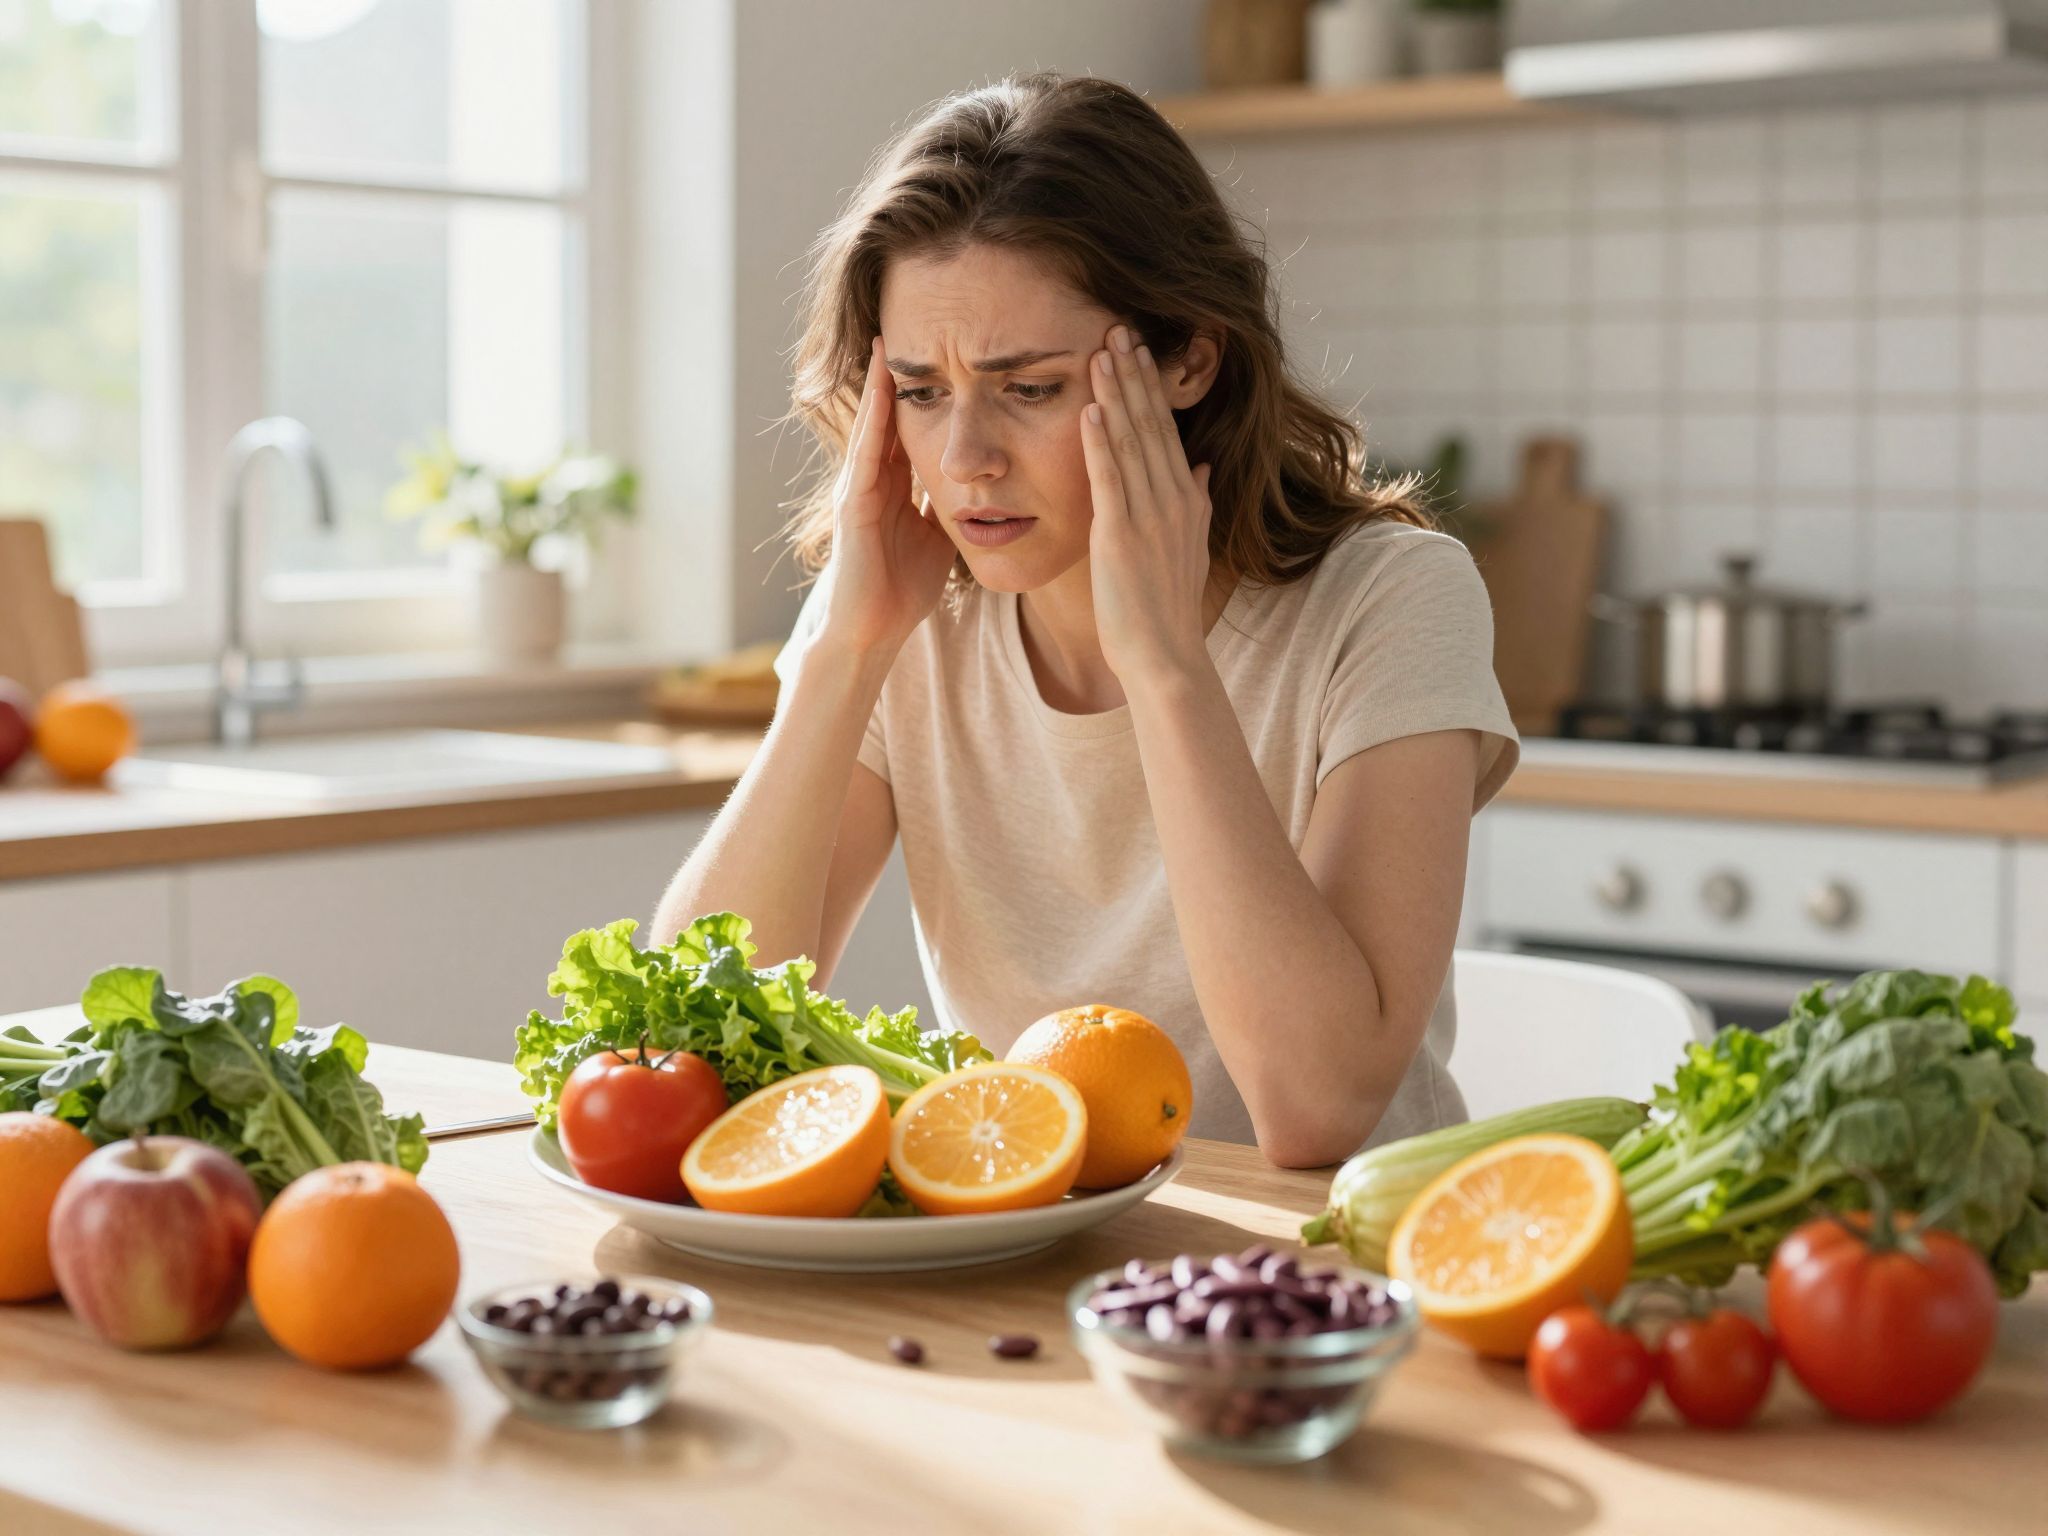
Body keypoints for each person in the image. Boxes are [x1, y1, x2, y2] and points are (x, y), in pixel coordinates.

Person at [653, 71, 1518, 1167]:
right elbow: (682, 1045)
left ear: (1188, 361)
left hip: (1319, 1274)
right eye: (920, 391)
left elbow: (1314, 1109)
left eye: (1029, 389)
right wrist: (843, 653)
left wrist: (1163, 666)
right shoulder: (902, 614)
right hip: (1018, 1251)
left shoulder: (1389, 600)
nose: (964, 459)